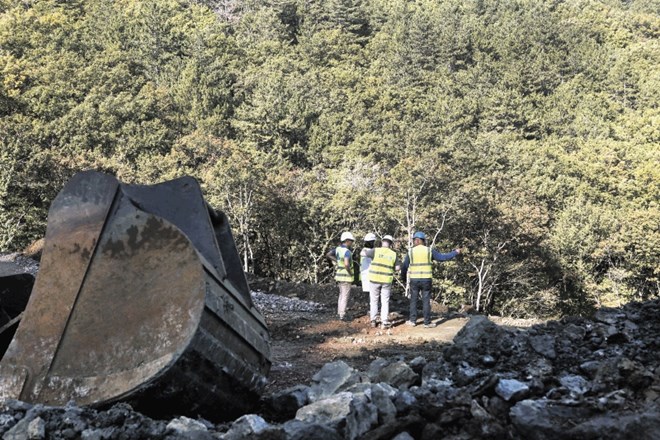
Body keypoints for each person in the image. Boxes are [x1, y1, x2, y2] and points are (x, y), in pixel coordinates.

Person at [401, 231, 461, 328]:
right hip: (426, 279)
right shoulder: (429, 250)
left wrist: (403, 278)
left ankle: (412, 321)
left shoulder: (411, 251)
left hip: (414, 280)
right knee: (426, 300)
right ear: (423, 241)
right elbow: (442, 257)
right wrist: (455, 252)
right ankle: (427, 322)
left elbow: (404, 267)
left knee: (413, 300)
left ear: (415, 241)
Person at [363, 235, 400, 329]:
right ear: (391, 244)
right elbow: (397, 268)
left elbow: (364, 253)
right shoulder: (393, 254)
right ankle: (384, 322)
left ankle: (373, 320)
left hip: (374, 279)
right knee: (385, 301)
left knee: (374, 300)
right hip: (386, 281)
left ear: (382, 241)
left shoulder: (375, 250)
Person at [326, 231, 355, 321]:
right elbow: (346, 264)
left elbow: (328, 254)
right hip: (346, 277)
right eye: (351, 241)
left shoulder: (338, 249)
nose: (352, 242)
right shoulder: (347, 252)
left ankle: (339, 313)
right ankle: (342, 315)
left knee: (341, 295)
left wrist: (338, 262)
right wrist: (350, 273)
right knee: (345, 296)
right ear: (347, 241)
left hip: (339, 276)